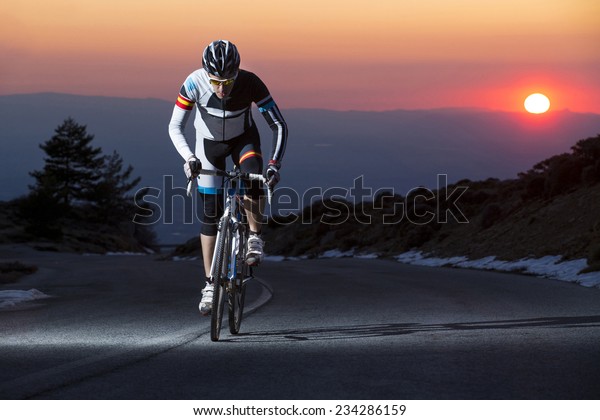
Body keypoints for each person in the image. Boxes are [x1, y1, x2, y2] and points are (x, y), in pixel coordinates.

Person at [168, 40, 288, 315]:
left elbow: (278, 125)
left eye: (228, 81)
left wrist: (273, 164)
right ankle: (210, 283)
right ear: (205, 74)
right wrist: (189, 158)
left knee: (254, 179)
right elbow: (175, 125)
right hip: (207, 146)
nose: (221, 88)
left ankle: (255, 236)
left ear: (237, 73)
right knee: (210, 214)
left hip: (242, 142)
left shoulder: (251, 83)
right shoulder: (193, 83)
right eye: (215, 81)